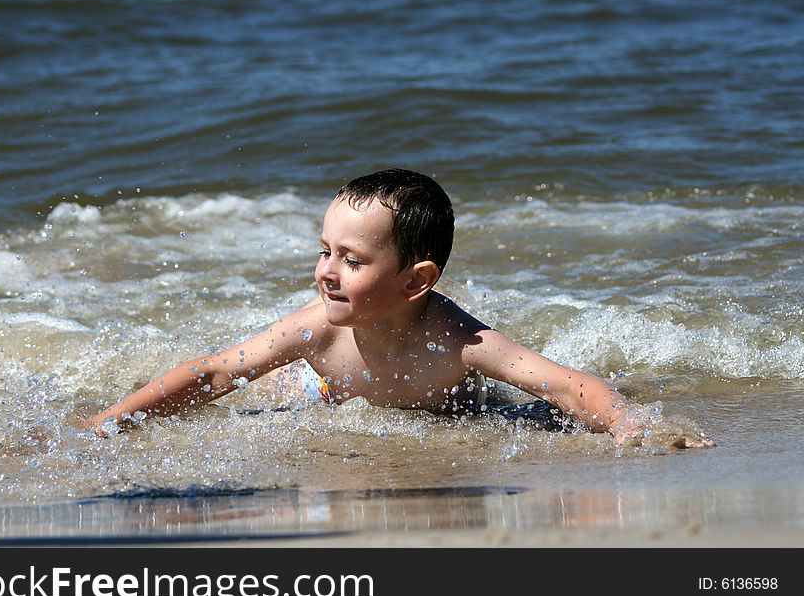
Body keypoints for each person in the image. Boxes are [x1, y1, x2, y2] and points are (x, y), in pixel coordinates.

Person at [90, 168, 713, 448]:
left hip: (449, 405)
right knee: (278, 390)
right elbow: (216, 371)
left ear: (416, 281)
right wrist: (115, 421)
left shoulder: (457, 340)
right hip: (324, 392)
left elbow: (566, 386)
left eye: (353, 261)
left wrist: (636, 426)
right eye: (324, 251)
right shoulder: (315, 331)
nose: (326, 273)